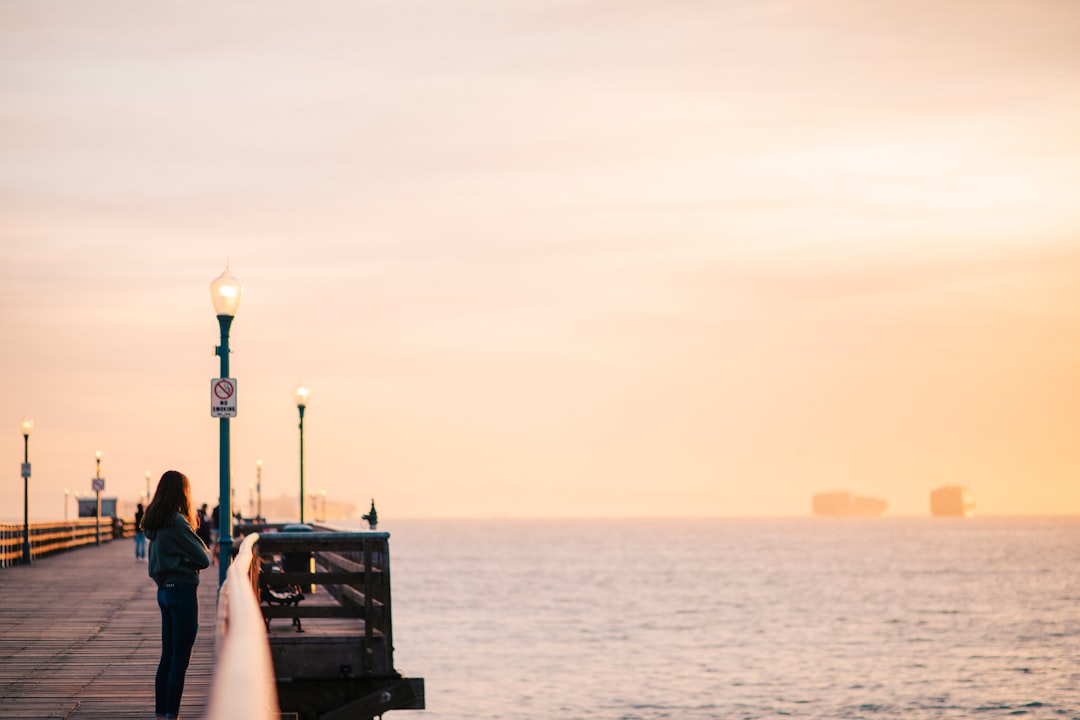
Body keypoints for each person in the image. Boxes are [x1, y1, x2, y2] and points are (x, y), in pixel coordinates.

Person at [143, 471, 211, 720]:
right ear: (183, 493)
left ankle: (162, 713)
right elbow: (203, 558)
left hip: (164, 592)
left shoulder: (156, 522)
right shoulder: (178, 521)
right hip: (182, 592)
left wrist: (177, 559)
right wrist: (185, 560)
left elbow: (156, 564)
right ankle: (172, 715)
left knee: (167, 657)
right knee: (180, 661)